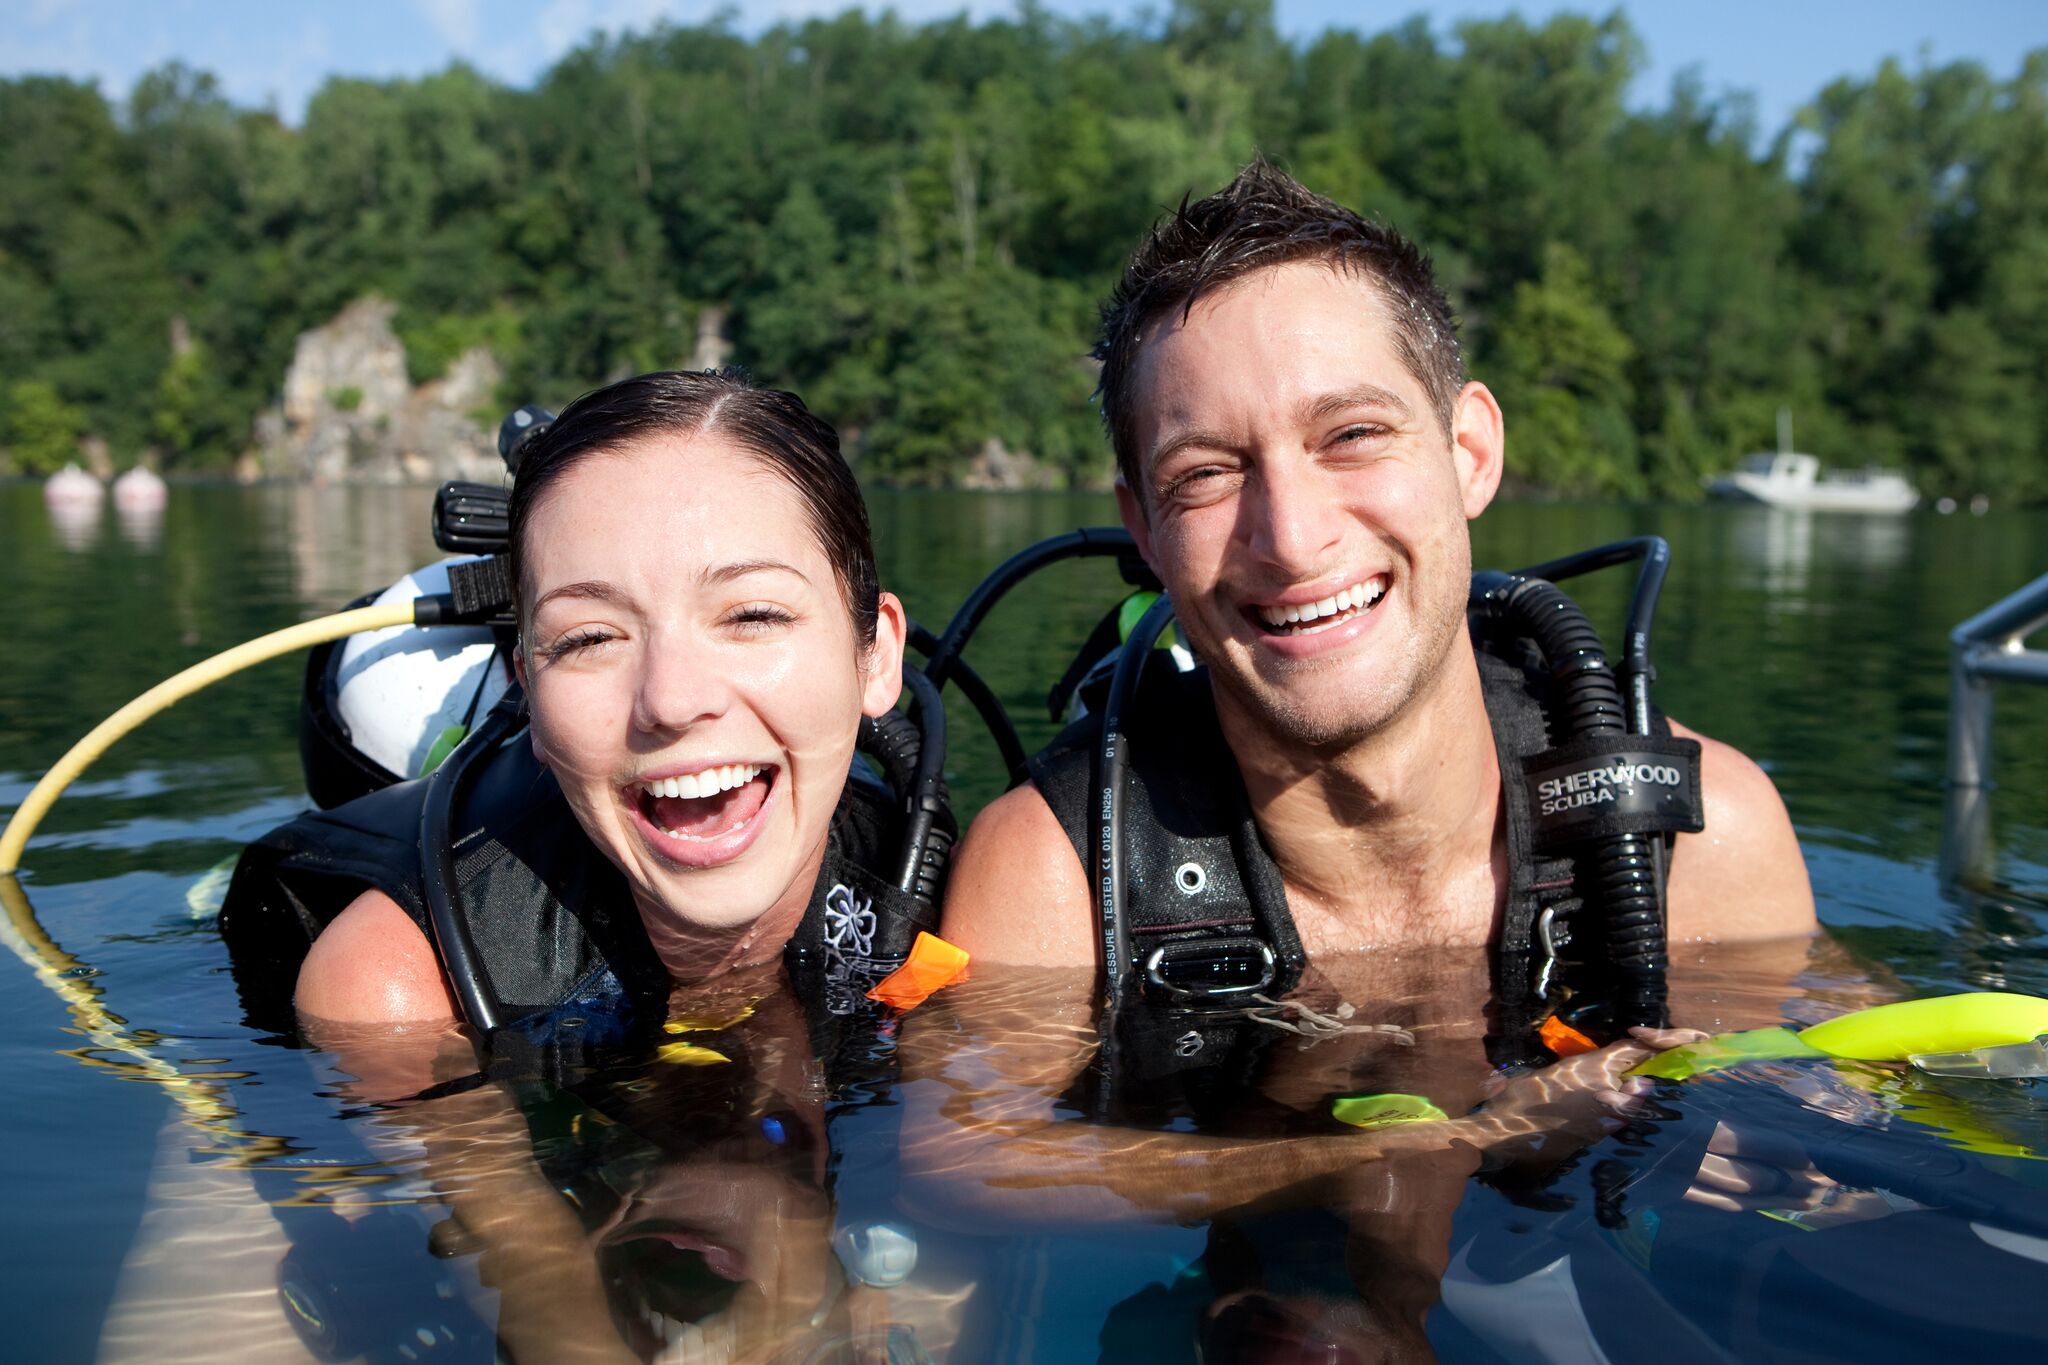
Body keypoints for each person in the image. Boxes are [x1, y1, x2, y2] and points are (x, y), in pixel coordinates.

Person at [942, 160, 1814, 1002]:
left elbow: (1831, 1117)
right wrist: (1499, 1130)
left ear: (1469, 453)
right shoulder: (1056, 887)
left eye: (1353, 434)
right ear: (1145, 531)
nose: (1291, 537)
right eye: (1205, 474)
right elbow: (982, 1155)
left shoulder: (1698, 837)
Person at [224, 368, 945, 1042]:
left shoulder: (927, 876)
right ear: (527, 694)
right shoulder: (396, 990)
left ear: (876, 656)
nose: (671, 698)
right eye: (591, 636)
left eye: (752, 615)